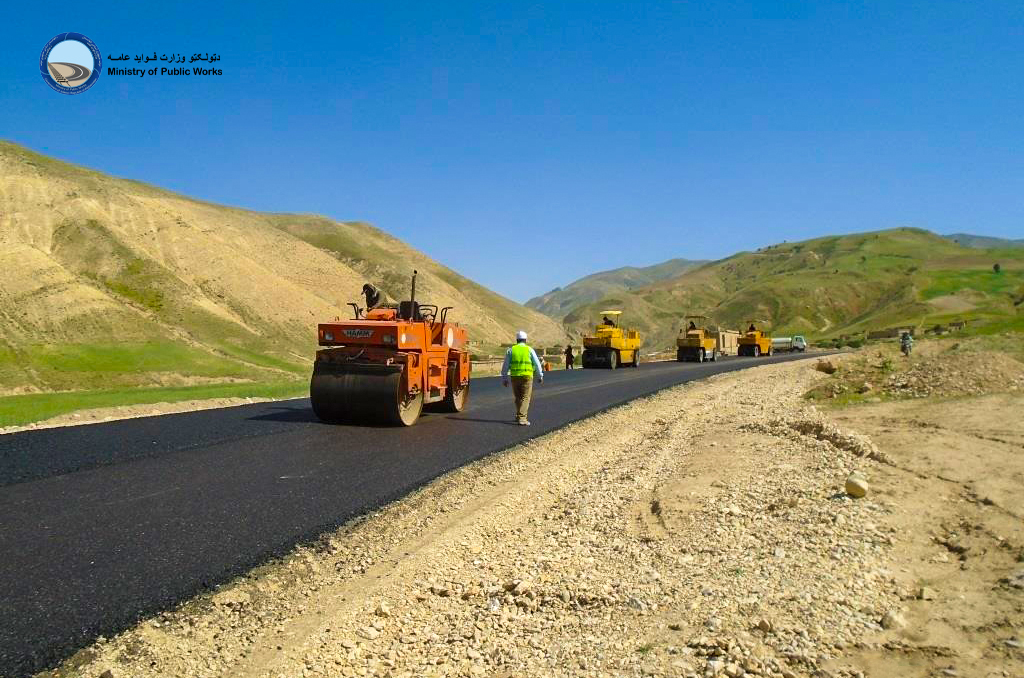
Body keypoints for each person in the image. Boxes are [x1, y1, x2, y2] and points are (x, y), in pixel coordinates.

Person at [501, 330, 544, 425]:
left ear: (517, 340)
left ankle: (518, 416)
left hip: (515, 377)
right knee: (525, 397)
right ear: (525, 340)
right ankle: (522, 418)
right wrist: (540, 375)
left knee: (518, 397)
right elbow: (537, 364)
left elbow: (505, 366)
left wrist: (504, 378)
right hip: (527, 377)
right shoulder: (529, 349)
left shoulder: (511, 350)